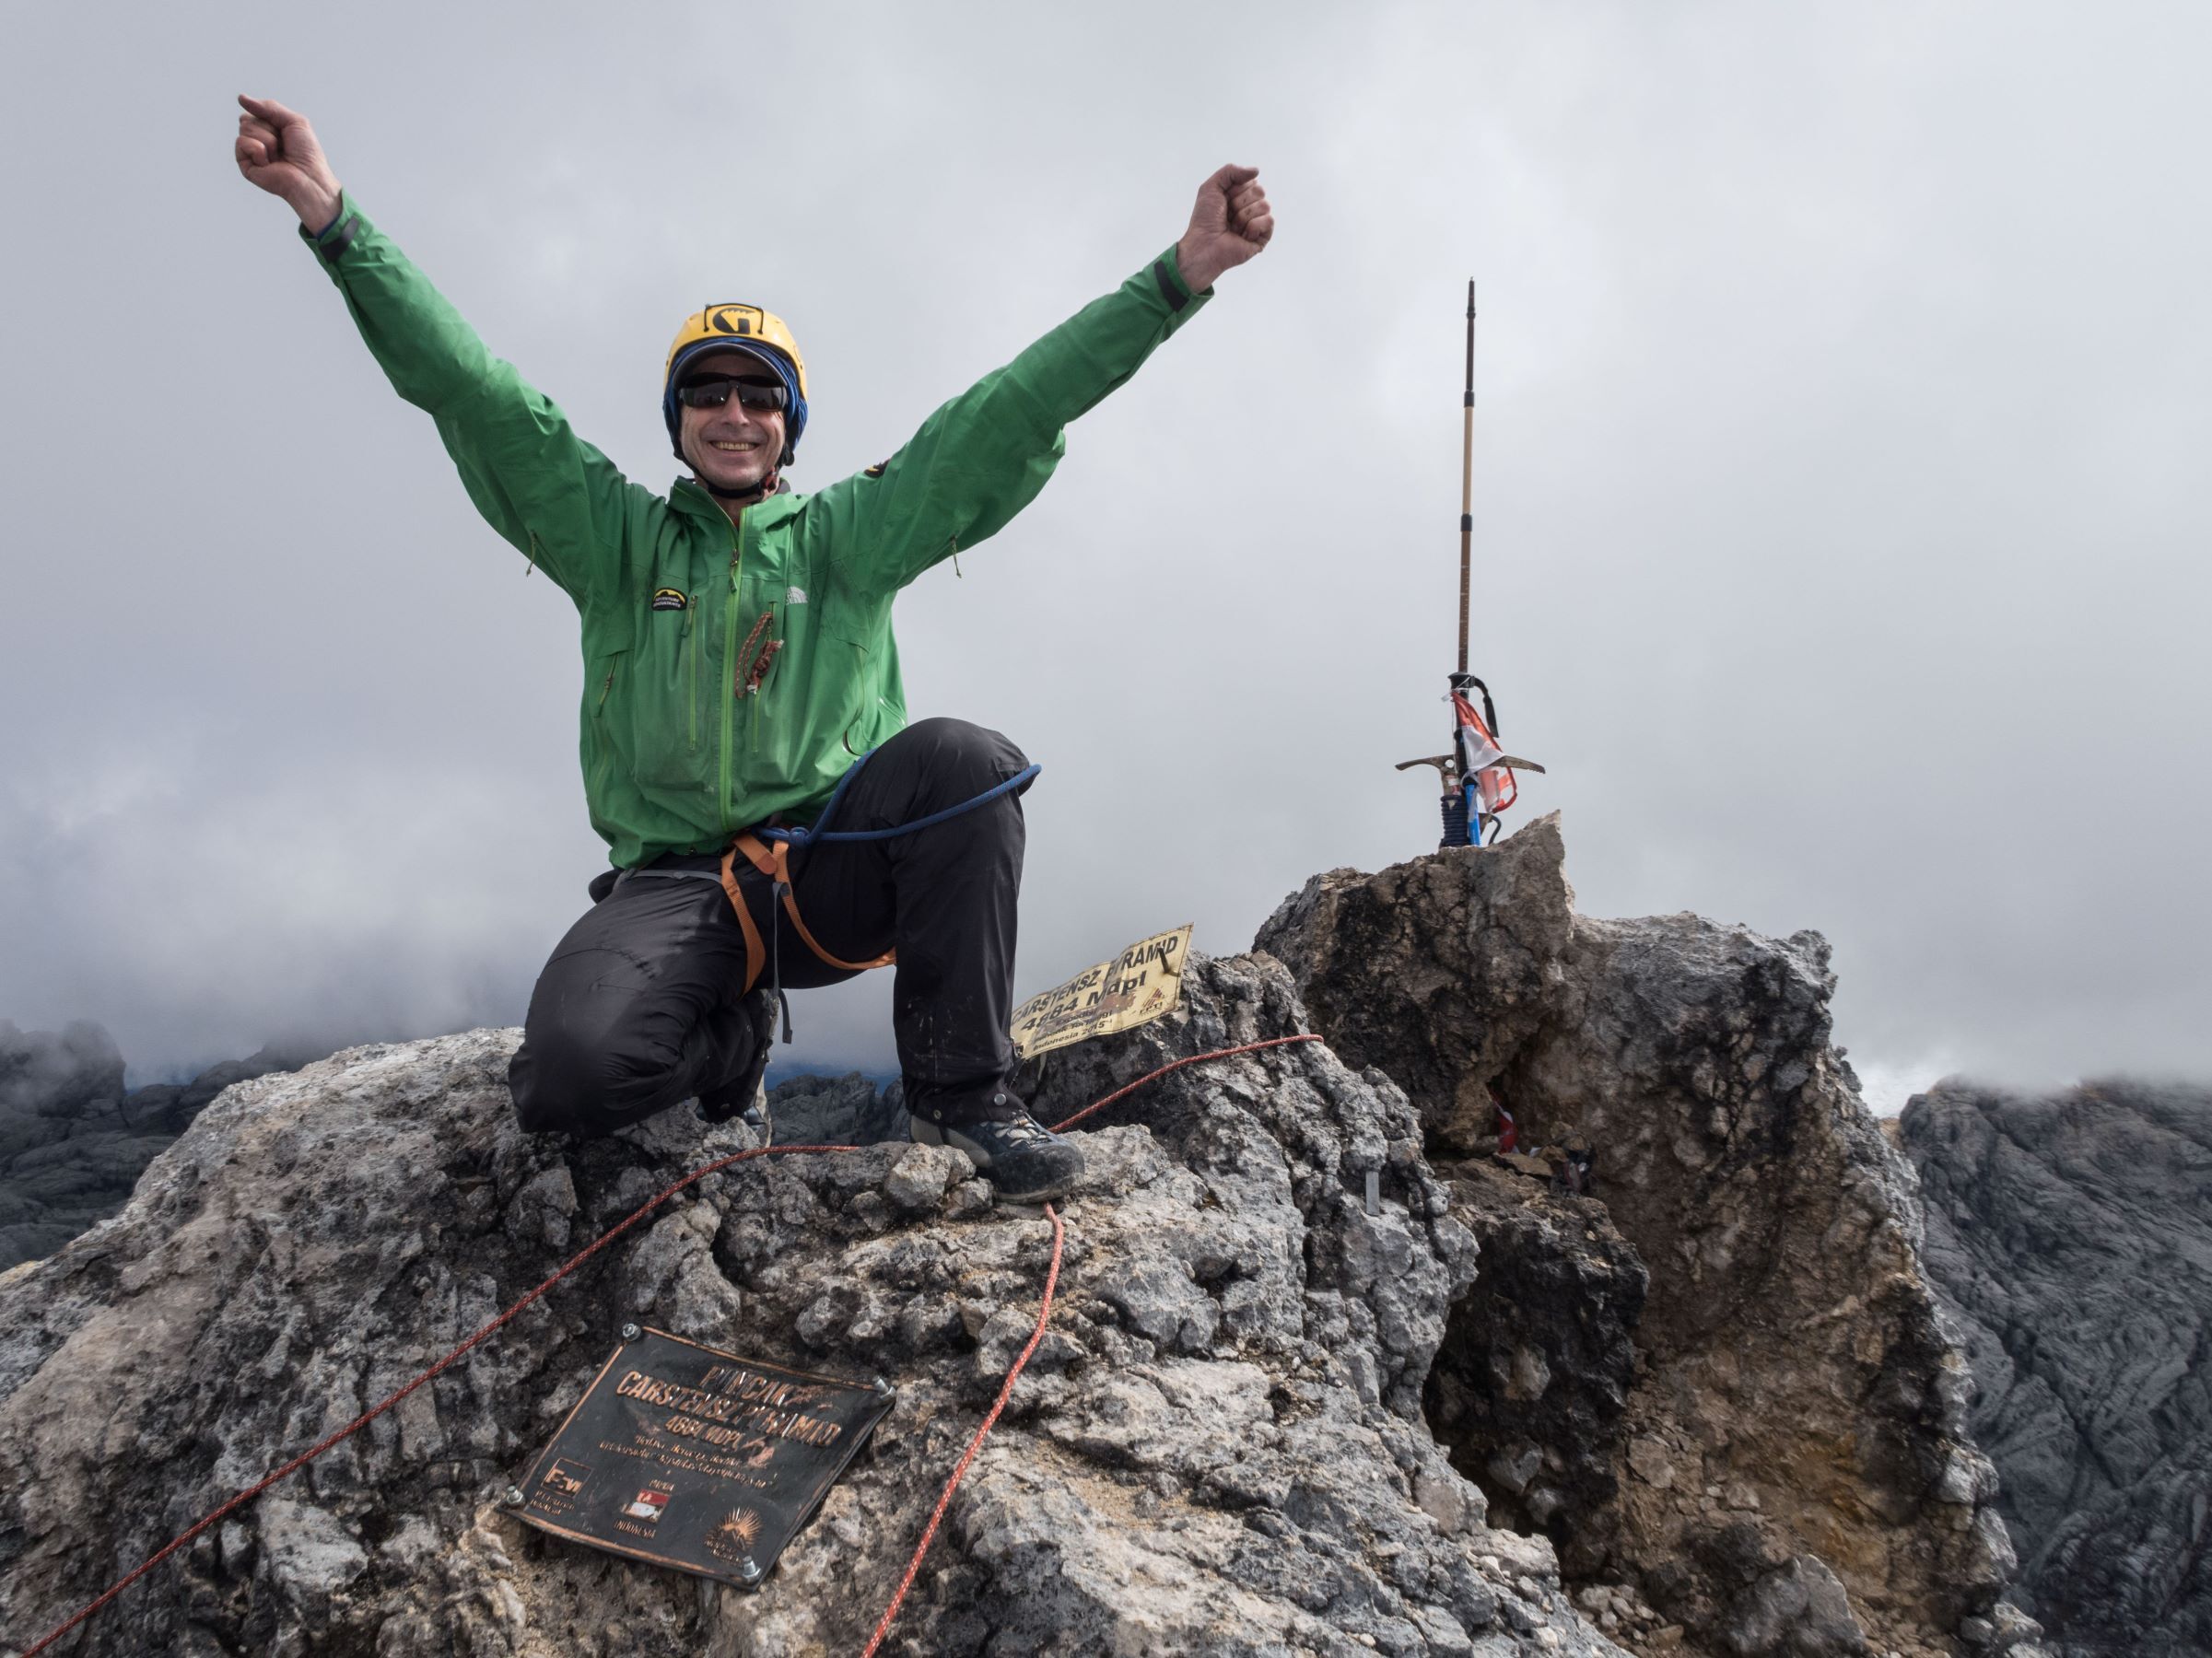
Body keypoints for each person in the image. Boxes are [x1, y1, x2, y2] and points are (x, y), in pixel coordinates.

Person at [233, 95, 1272, 1203]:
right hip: (675, 885)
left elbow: (1008, 411)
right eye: (707, 394)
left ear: (791, 423)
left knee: (966, 761)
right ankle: (732, 1040)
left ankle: (966, 1100)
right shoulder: (615, 541)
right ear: (678, 418)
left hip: (831, 862)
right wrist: (333, 221)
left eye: (759, 396)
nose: (733, 413)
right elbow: (477, 397)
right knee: (568, 1082)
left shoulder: (849, 536)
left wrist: (1176, 279)